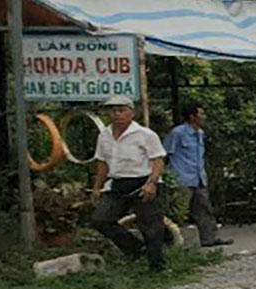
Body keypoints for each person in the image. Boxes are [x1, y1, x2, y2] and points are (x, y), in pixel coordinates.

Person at [90, 95, 169, 271]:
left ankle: (157, 266)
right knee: (100, 219)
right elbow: (102, 163)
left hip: (143, 181)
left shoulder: (145, 134)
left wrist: (152, 183)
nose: (116, 114)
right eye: (112, 111)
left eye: (121, 110)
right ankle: (135, 248)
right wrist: (97, 187)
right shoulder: (104, 135)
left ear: (131, 113)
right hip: (118, 182)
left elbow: (158, 160)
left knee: (151, 227)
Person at [163, 104, 233, 247]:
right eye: (201, 114)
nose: (204, 117)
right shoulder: (178, 133)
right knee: (179, 212)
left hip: (198, 177)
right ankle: (174, 242)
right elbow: (165, 153)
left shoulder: (200, 133)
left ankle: (209, 238)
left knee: (204, 208)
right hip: (182, 178)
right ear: (192, 117)